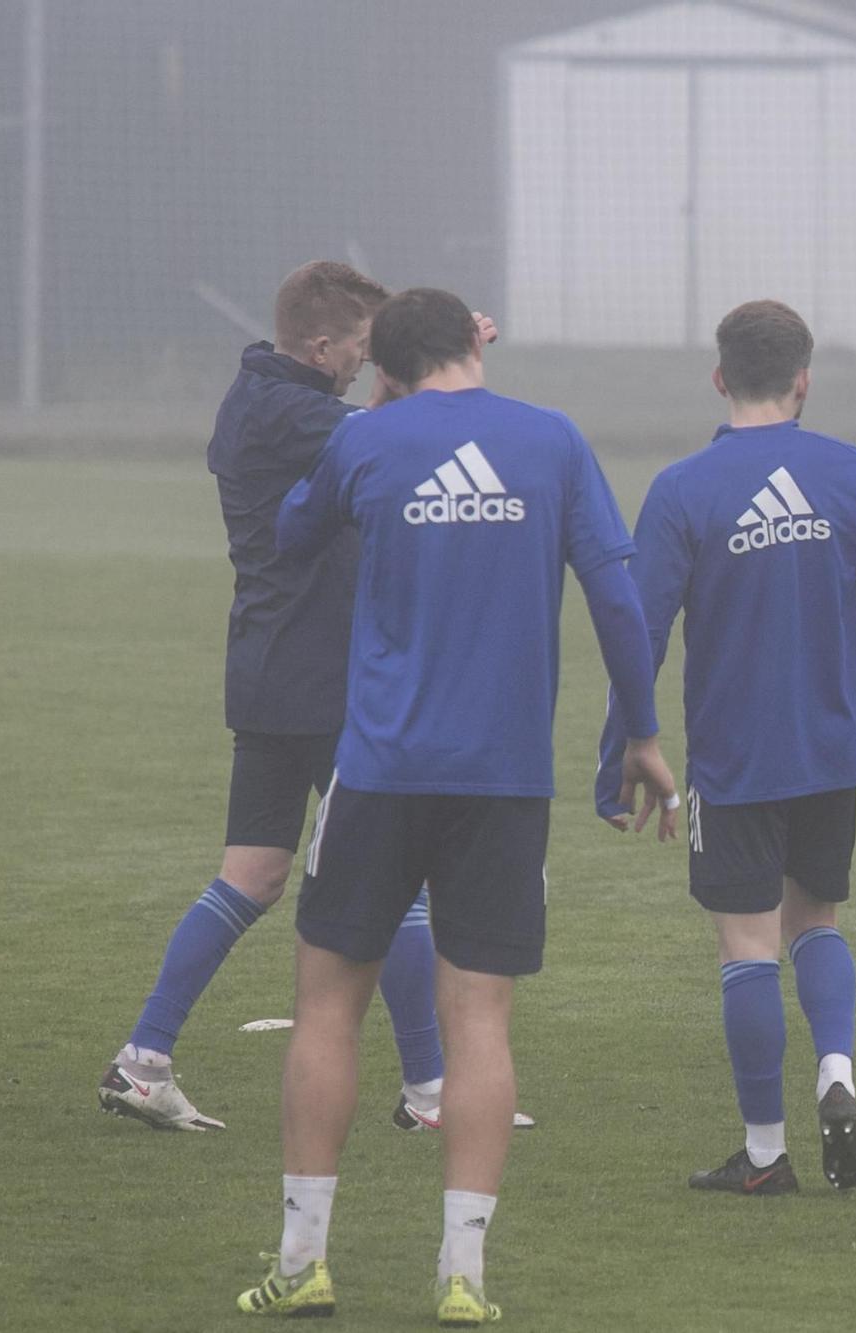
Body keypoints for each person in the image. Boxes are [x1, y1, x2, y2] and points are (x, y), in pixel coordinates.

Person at [235, 287, 676, 1323]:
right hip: (504, 780)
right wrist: (643, 735)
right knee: (478, 1020)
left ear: (385, 362)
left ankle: (303, 1260)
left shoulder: (370, 442)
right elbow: (617, 595)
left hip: (381, 769)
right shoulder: (552, 441)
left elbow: (292, 534)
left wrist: (387, 424)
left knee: (327, 1008)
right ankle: (463, 1276)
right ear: (473, 344)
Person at [98, 261, 461, 1134]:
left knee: (253, 874)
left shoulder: (262, 396)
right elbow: (403, 436)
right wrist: (453, 370)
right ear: (324, 344)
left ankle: (142, 1060)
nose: (369, 368)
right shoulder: (295, 413)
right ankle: (435, 1094)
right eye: (366, 352)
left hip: (271, 669)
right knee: (401, 879)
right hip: (319, 677)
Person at [596, 300, 856, 1195]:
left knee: (748, 947)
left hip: (732, 762)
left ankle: (762, 1154)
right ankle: (837, 1071)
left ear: (720, 378)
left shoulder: (683, 488)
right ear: (804, 380)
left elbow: (643, 634)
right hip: (828, 754)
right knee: (816, 923)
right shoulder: (853, 475)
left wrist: (620, 753)